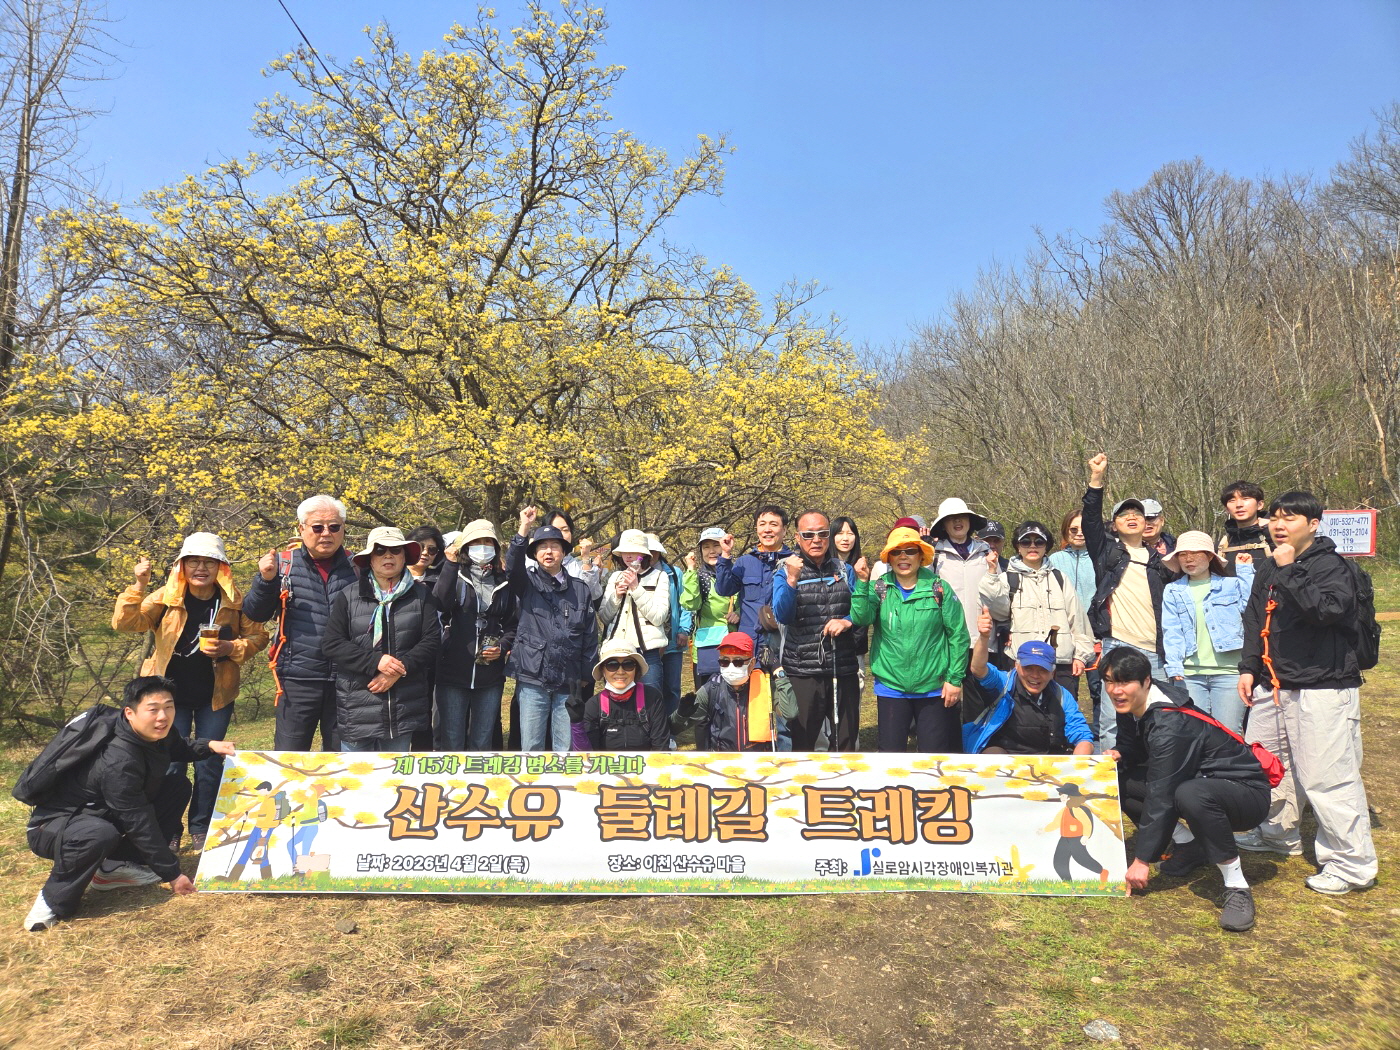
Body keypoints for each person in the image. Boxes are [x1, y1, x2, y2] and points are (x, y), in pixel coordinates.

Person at [1237, 491, 1378, 895]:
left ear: (1314, 525)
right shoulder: (1269, 566)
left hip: (1323, 686)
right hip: (1273, 684)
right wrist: (1249, 667)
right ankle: (1279, 834)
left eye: (1291, 519)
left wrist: (1291, 570)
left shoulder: (1332, 566)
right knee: (1269, 765)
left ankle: (1351, 865)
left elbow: (1328, 612)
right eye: (1276, 518)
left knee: (1327, 777)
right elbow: (1253, 619)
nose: (1279, 525)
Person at [22, 675, 236, 932]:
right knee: (99, 834)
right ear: (130, 712)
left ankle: (114, 868)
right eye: (153, 709)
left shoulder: (154, 734)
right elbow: (137, 819)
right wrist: (172, 874)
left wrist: (209, 745)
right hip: (54, 827)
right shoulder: (119, 760)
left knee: (176, 787)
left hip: (100, 813)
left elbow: (178, 747)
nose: (163, 716)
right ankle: (50, 901)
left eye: (169, 707)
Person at [112, 532, 267, 852]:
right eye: (194, 561)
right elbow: (125, 623)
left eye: (209, 562)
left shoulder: (234, 600)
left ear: (221, 567)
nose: (201, 568)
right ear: (182, 565)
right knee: (170, 763)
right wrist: (137, 586)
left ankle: (201, 826)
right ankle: (169, 828)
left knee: (210, 762)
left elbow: (258, 638)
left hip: (216, 695)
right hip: (168, 699)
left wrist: (231, 647)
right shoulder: (166, 597)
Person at [1102, 647, 1267, 933]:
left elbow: (1162, 792)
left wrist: (1142, 860)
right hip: (1201, 780)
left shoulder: (1170, 723)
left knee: (1189, 794)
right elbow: (1133, 746)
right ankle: (1189, 846)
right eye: (1109, 681)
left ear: (1146, 682)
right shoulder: (1132, 705)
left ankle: (1237, 886)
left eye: (1124, 682)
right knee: (1117, 776)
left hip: (1245, 793)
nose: (1116, 690)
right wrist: (1119, 753)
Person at [243, 494, 359, 751]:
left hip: (347, 678)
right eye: (317, 527)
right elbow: (255, 613)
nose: (326, 533)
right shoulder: (283, 565)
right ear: (301, 529)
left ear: (343, 529)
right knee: (290, 758)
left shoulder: (358, 567)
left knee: (341, 760)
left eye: (334, 527)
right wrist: (265, 580)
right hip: (298, 678)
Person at [1081, 454, 1177, 751]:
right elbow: (1090, 520)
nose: (1133, 517)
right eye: (1124, 515)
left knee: (1162, 718)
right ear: (1115, 525)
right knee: (1111, 721)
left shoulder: (1163, 563)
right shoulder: (1107, 554)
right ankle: (1112, 787)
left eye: (1138, 514)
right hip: (1118, 645)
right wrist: (1097, 479)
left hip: (1157, 651)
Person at [848, 526, 968, 752]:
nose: (903, 557)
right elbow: (860, 618)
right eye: (897, 552)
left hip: (934, 688)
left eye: (910, 551)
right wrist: (862, 583)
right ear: (889, 557)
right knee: (891, 756)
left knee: (933, 757)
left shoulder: (939, 588)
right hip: (891, 687)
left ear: (921, 556)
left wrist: (954, 679)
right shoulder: (878, 587)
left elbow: (958, 635)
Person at [322, 527, 442, 752]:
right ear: (370, 558)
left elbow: (431, 641)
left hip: (403, 707)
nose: (388, 556)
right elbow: (332, 643)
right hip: (358, 706)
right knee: (356, 781)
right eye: (380, 551)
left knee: (394, 782)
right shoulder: (349, 596)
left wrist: (397, 670)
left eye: (395, 550)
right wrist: (375, 662)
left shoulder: (421, 595)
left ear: (405, 556)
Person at [506, 506, 599, 753]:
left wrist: (585, 674)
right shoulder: (526, 582)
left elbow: (590, 636)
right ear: (535, 553)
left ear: (564, 552)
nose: (549, 551)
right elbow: (511, 566)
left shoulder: (580, 589)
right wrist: (523, 528)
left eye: (555, 546)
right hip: (532, 676)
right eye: (542, 546)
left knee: (565, 747)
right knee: (532, 746)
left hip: (568, 680)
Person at [771, 510, 860, 751]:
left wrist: (847, 621)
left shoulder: (844, 569)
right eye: (808, 535)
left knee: (846, 739)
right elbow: (782, 614)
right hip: (802, 669)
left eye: (822, 533)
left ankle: (844, 786)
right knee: (803, 741)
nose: (816, 540)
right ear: (797, 538)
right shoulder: (784, 570)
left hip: (842, 666)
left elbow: (861, 610)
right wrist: (792, 579)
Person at [979, 520, 1093, 697]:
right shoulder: (1006, 578)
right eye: (1026, 542)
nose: (1032, 546)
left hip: (1060, 662)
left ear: (1046, 546)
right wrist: (992, 573)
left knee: (1061, 716)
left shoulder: (1060, 578)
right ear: (1018, 547)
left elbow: (1078, 621)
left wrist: (1080, 656)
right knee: (1022, 719)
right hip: (1022, 662)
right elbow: (997, 610)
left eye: (1039, 542)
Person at [963, 608, 1095, 757]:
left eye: (1042, 670)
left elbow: (1082, 735)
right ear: (1016, 666)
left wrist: (1079, 764)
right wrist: (984, 637)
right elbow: (978, 669)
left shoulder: (1062, 696)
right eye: (1028, 668)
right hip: (1004, 759)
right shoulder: (1003, 684)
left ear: (1052, 673)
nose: (1035, 676)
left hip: (1047, 761)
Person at [433, 519, 516, 749]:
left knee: (482, 741)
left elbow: (512, 624)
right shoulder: (455, 575)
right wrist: (450, 564)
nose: (482, 547)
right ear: (465, 547)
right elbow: (440, 602)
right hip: (453, 672)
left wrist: (502, 647)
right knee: (452, 740)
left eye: (487, 542)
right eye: (476, 542)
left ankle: (477, 786)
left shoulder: (504, 581)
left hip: (489, 676)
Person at [1160, 531, 1254, 733]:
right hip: (1190, 675)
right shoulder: (1173, 590)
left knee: (1229, 733)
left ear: (1211, 556)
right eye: (1182, 554)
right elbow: (1172, 630)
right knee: (1195, 733)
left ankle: (1228, 766)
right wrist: (1174, 665)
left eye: (1195, 553)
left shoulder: (1232, 585)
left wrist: (1245, 571)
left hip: (1229, 673)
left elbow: (1251, 607)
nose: (1188, 559)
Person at [671, 632, 798, 751]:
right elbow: (673, 728)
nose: (730, 667)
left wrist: (779, 672)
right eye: (724, 661)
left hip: (758, 759)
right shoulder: (712, 689)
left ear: (752, 663)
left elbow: (790, 713)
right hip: (723, 760)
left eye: (738, 661)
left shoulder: (764, 685)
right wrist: (680, 715)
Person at [713, 505, 793, 667]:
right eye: (762, 524)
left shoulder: (794, 562)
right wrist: (726, 555)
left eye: (774, 524)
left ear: (784, 530)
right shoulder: (745, 562)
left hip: (785, 644)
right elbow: (724, 589)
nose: (767, 529)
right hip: (749, 647)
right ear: (756, 528)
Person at [598, 529, 671, 695]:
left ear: (643, 554)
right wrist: (616, 595)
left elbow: (659, 617)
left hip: (647, 652)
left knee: (651, 701)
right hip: (616, 651)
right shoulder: (615, 576)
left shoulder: (660, 576)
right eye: (625, 551)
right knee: (617, 700)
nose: (628, 556)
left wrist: (636, 588)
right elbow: (604, 616)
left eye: (633, 551)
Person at [926, 497, 993, 665]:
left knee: (979, 689)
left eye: (962, 516)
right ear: (943, 525)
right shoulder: (934, 556)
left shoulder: (986, 553)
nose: (957, 521)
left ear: (970, 521)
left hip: (982, 639)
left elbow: (999, 598)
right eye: (950, 518)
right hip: (946, 641)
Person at [1047, 507, 1103, 706]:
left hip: (1097, 634)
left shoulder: (1102, 559)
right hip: (1065, 634)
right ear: (1065, 531)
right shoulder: (1053, 561)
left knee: (1100, 691)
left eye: (1084, 528)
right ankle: (1070, 734)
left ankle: (1099, 735)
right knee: (1067, 692)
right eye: (1073, 529)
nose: (1079, 533)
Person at [577, 642, 670, 751]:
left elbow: (661, 747)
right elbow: (587, 756)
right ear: (603, 670)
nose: (620, 672)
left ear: (636, 670)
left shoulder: (652, 699)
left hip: (646, 766)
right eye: (612, 665)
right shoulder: (593, 705)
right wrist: (576, 724)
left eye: (628, 664)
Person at [681, 528, 739, 688]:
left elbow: (749, 602)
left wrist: (738, 613)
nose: (711, 551)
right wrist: (691, 570)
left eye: (716, 545)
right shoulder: (697, 576)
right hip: (706, 649)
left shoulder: (738, 572)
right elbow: (690, 604)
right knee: (705, 699)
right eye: (706, 547)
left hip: (736, 647)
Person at [647, 532, 691, 724]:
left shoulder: (674, 573)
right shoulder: (636, 574)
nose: (651, 554)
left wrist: (684, 629)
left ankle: (672, 727)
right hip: (648, 642)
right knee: (651, 687)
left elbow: (685, 604)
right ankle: (654, 728)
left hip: (673, 639)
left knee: (672, 687)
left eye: (654, 550)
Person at [1217, 480, 1275, 570]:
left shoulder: (1277, 537)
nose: (1239, 505)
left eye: (1245, 499)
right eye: (1232, 500)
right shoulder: (1220, 546)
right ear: (1227, 509)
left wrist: (1269, 531)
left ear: (1260, 504)